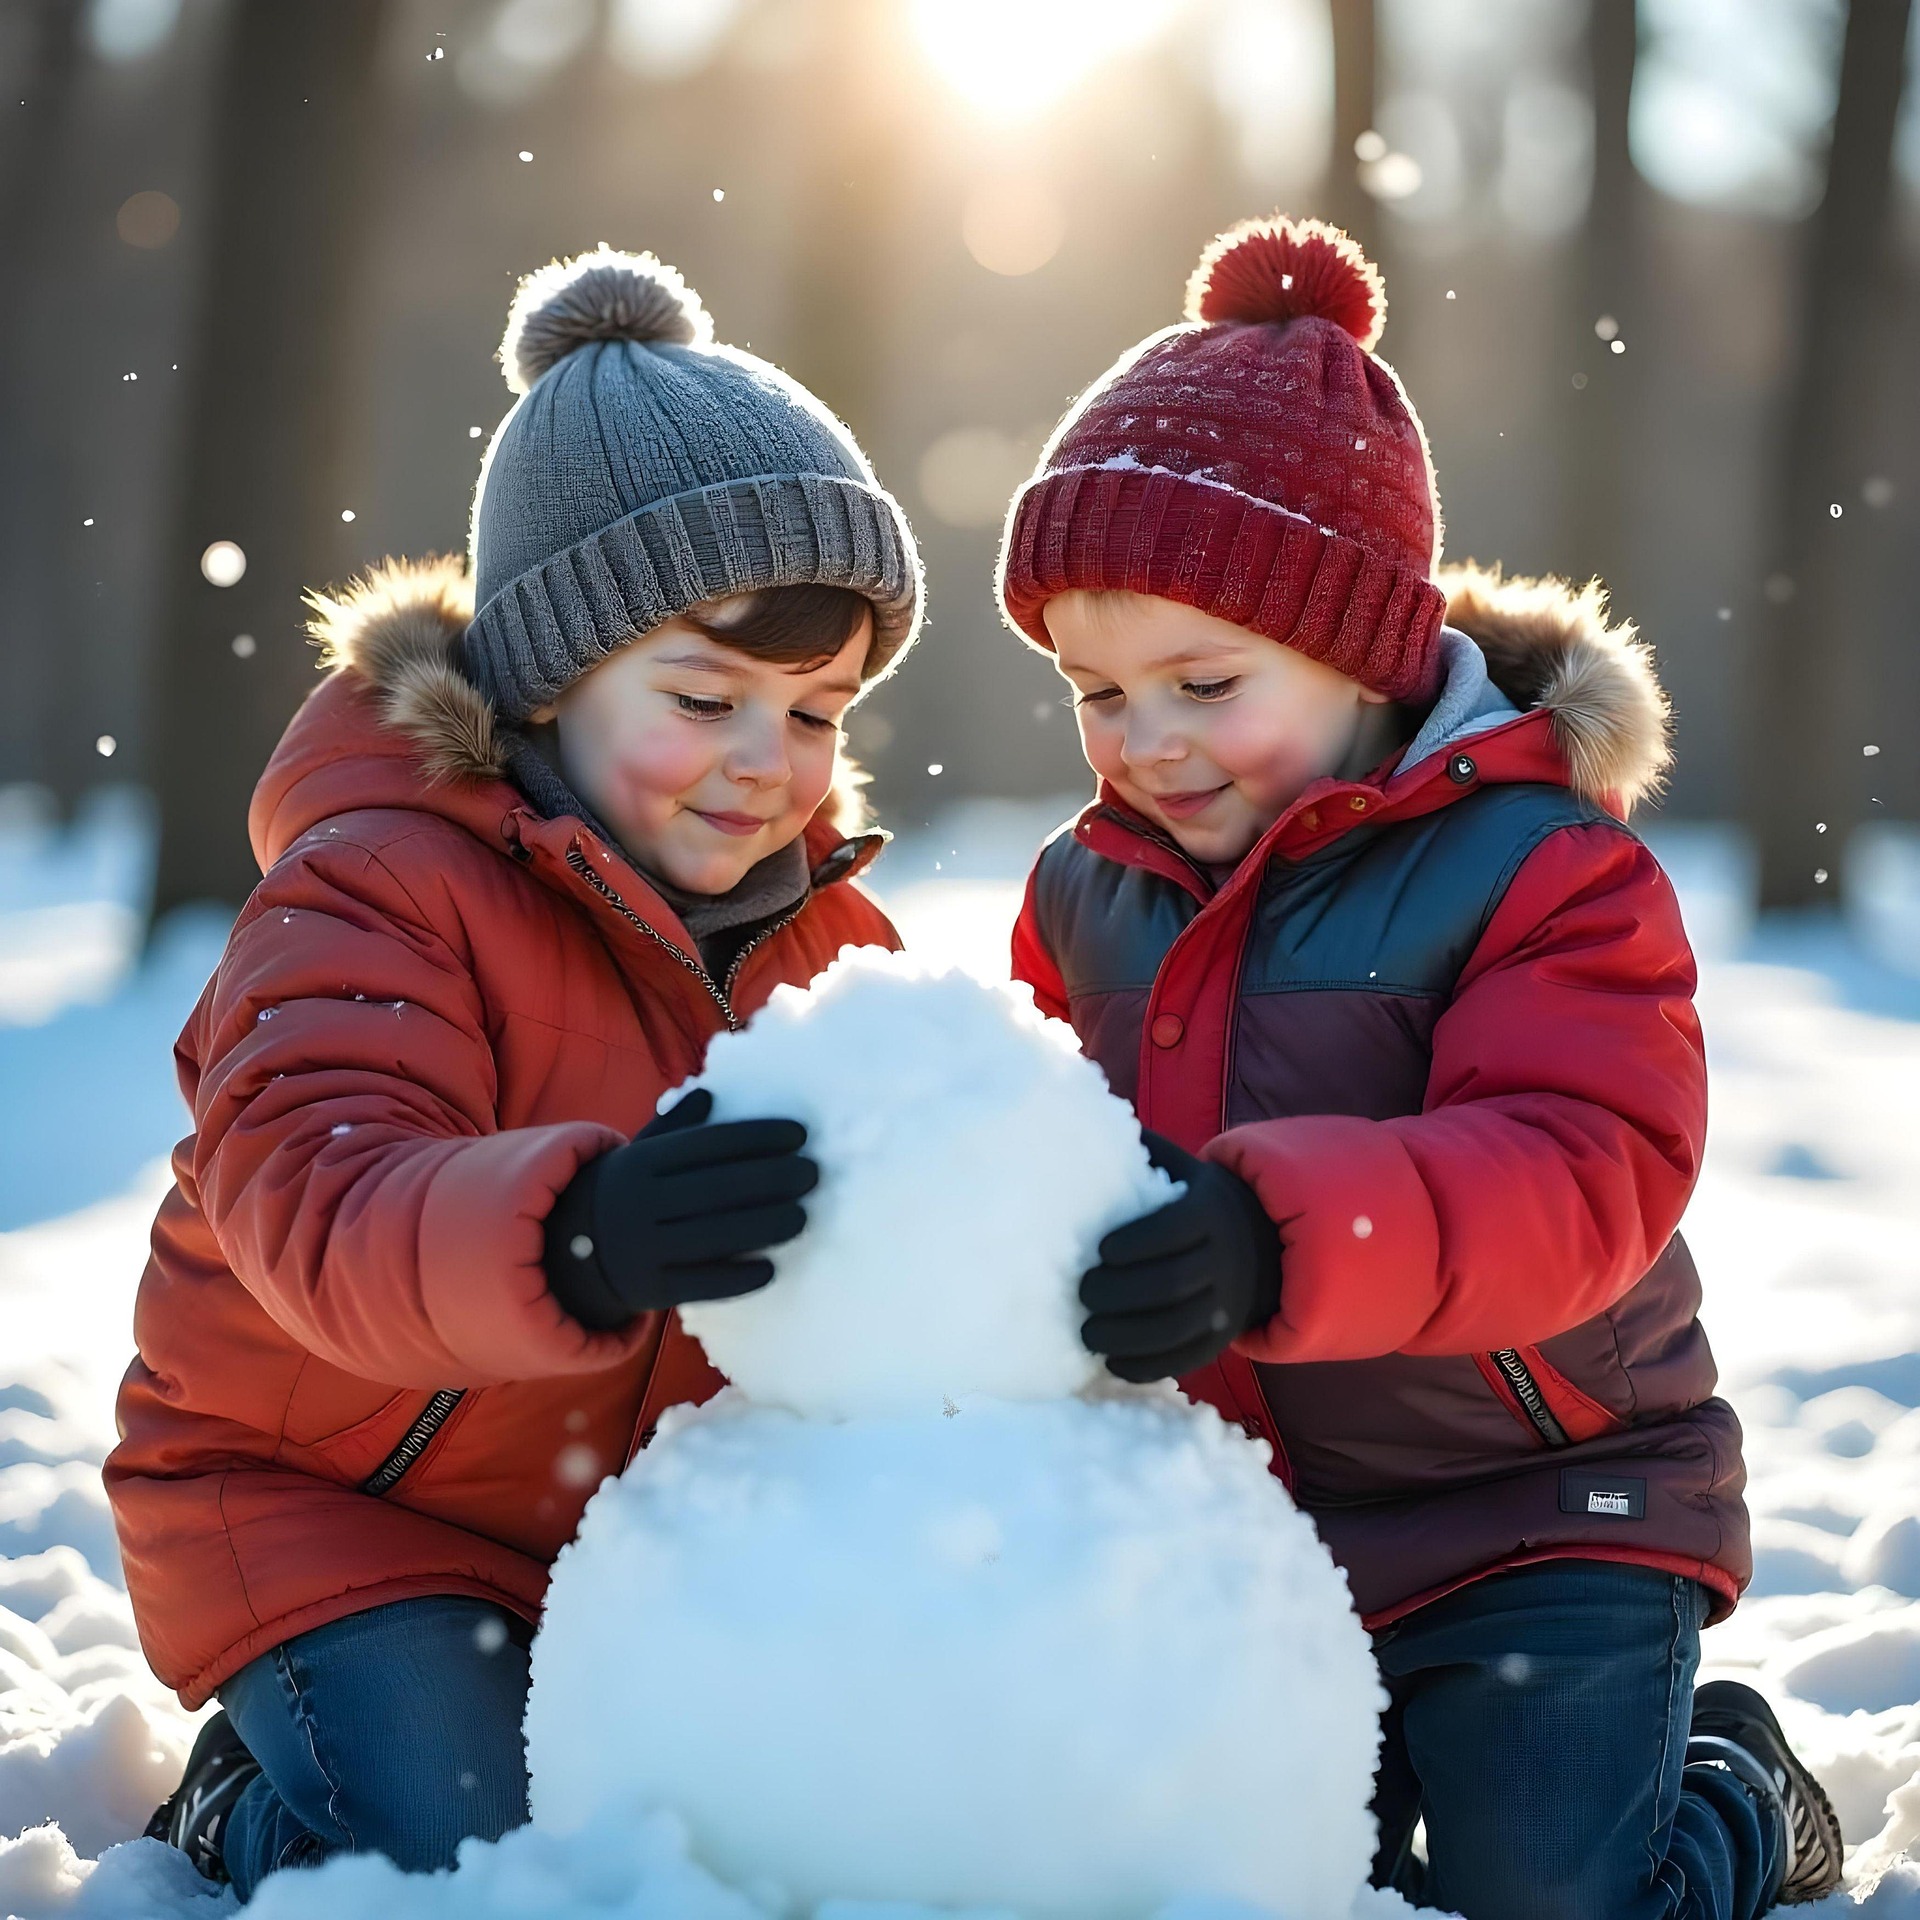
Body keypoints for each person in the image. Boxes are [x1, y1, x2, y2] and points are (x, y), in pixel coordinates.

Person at [999, 215, 1842, 1918]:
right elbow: (1034, 1145)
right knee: (1268, 1885)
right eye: (1096, 690)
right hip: (1257, 1527)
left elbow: (1574, 1169)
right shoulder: (1088, 890)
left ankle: (1737, 1794)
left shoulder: (1543, 869)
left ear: (1367, 654)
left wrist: (1268, 1237)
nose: (1145, 738)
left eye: (1204, 681)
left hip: (1545, 1506)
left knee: (1555, 1894)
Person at [114, 247, 922, 1899]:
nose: (770, 765)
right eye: (706, 699)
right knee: (497, 1863)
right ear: (550, 677)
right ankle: (252, 1805)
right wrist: (578, 1234)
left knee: (811, 1829)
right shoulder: (373, 885)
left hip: (623, 1545)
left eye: (821, 713)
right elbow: (318, 1193)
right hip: (338, 1520)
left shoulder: (832, 950)